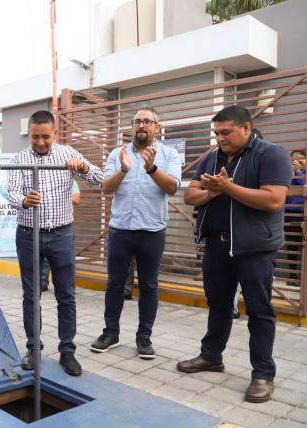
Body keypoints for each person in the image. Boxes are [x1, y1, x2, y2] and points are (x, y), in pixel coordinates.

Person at [176, 105, 292, 403]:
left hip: (254, 248)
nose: (219, 138)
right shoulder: (212, 157)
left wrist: (228, 187)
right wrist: (213, 192)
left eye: (225, 132)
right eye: (216, 133)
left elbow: (273, 200)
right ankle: (211, 357)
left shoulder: (271, 155)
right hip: (217, 245)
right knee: (218, 304)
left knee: (259, 310)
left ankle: (263, 374)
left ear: (246, 129)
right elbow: (191, 195)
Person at [8, 110, 103, 376]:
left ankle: (67, 351)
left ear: (55, 134)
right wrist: (25, 201)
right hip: (29, 234)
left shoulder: (67, 154)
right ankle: (33, 348)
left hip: (61, 234)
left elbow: (100, 178)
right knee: (31, 294)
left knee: (66, 293)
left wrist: (83, 168)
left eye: (45, 137)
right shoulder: (20, 159)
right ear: (30, 134)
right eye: (35, 137)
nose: (40, 142)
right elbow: (12, 191)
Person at [90, 106, 181, 360]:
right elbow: (105, 188)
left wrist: (152, 169)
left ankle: (144, 337)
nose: (142, 125)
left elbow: (172, 187)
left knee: (150, 285)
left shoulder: (169, 154)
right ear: (132, 126)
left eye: (147, 121)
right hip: (120, 230)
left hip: (152, 231)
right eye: (137, 121)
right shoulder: (117, 154)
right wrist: (123, 170)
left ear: (157, 128)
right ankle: (111, 333)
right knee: (115, 283)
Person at [40, 180, 81, 292]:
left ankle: (63, 286)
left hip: (62, 228)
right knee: (43, 260)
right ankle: (42, 282)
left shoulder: (71, 181)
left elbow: (77, 199)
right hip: (41, 227)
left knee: (62, 262)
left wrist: (55, 196)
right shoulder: (42, 181)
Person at [285, 149, 305, 286]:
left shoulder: (302, 174)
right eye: (293, 160)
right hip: (289, 214)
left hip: (303, 214)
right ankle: (293, 276)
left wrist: (298, 173)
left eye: (299, 159)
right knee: (291, 246)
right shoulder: (289, 174)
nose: (295, 162)